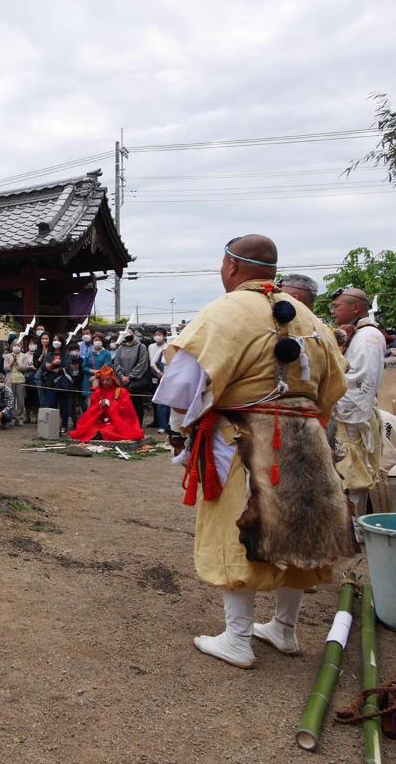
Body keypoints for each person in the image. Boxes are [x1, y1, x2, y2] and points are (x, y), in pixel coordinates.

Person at [155, 235, 354, 669]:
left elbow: (182, 386)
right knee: (298, 529)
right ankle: (285, 628)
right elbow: (335, 386)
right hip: (306, 436)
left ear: (230, 266)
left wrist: (180, 430)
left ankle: (239, 639)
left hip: (244, 439)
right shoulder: (310, 318)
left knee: (237, 529)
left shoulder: (221, 313)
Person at [329, 287, 386, 517]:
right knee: (347, 468)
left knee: (354, 469)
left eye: (337, 306)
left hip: (353, 414)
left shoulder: (367, 337)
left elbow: (361, 378)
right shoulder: (359, 334)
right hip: (349, 411)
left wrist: (336, 403)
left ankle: (355, 524)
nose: (333, 311)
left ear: (355, 307)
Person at [68, 365, 144, 442]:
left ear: (112, 379)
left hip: (116, 422)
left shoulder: (121, 392)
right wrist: (99, 406)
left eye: (107, 380)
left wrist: (111, 405)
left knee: (109, 431)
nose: (105, 382)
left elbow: (127, 410)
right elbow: (91, 411)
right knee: (89, 429)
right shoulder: (97, 392)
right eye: (103, 380)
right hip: (100, 421)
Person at [113, 328, 151, 425]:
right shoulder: (120, 347)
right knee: (122, 404)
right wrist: (121, 376)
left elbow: (142, 364)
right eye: (126, 332)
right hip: (121, 381)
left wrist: (130, 377)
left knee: (136, 404)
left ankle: (137, 425)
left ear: (134, 334)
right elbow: (116, 362)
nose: (128, 334)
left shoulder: (141, 347)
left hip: (135, 382)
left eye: (130, 332)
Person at [148, 329, 170, 432]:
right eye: (156, 334)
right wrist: (159, 372)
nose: (158, 336)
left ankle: (171, 425)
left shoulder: (174, 348)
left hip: (173, 380)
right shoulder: (162, 349)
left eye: (160, 334)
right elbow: (152, 363)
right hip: (161, 378)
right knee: (161, 402)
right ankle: (162, 426)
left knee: (173, 403)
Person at [3, 340, 29, 425]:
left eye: (18, 345)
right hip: (10, 380)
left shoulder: (24, 356)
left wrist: (17, 362)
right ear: (11, 346)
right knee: (11, 400)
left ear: (21, 347)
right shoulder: (7, 356)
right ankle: (12, 417)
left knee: (21, 400)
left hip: (20, 380)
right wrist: (11, 363)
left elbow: (24, 368)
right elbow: (5, 368)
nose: (16, 347)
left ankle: (20, 417)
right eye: (15, 345)